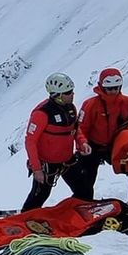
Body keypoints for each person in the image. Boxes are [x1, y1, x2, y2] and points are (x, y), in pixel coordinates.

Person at [70, 68, 128, 206]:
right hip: (92, 146)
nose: (113, 91)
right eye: (109, 88)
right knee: (85, 180)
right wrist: (82, 146)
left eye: (116, 88)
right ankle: (82, 206)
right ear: (101, 87)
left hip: (115, 146)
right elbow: (80, 128)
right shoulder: (90, 105)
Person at [22, 72, 91, 211]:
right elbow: (30, 142)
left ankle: (77, 217)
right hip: (46, 165)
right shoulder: (41, 113)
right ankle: (25, 221)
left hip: (67, 160)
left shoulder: (71, 108)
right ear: (58, 95)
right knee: (39, 197)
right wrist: (36, 169)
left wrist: (82, 142)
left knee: (85, 190)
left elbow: (75, 129)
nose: (72, 94)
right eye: (68, 92)